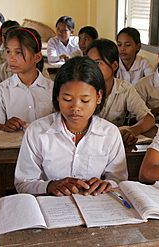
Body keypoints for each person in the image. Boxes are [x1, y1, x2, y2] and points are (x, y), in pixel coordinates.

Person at [14, 56, 128, 196]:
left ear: (98, 97)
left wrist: (108, 184)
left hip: (95, 206)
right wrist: (49, 186)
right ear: (57, 96)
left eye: (85, 100)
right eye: (67, 99)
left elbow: (119, 179)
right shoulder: (37, 132)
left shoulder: (110, 133)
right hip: (52, 206)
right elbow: (23, 183)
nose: (75, 107)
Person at [0, 27, 54, 132]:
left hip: (46, 147)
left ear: (37, 57)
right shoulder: (1, 91)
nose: (11, 58)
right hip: (14, 147)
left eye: (19, 53)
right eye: (8, 52)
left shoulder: (53, 89)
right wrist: (6, 127)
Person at [86, 39, 155, 145]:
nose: (91, 68)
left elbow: (148, 118)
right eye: (89, 63)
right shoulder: (81, 88)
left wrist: (132, 130)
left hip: (114, 145)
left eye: (98, 63)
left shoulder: (125, 89)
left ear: (114, 66)